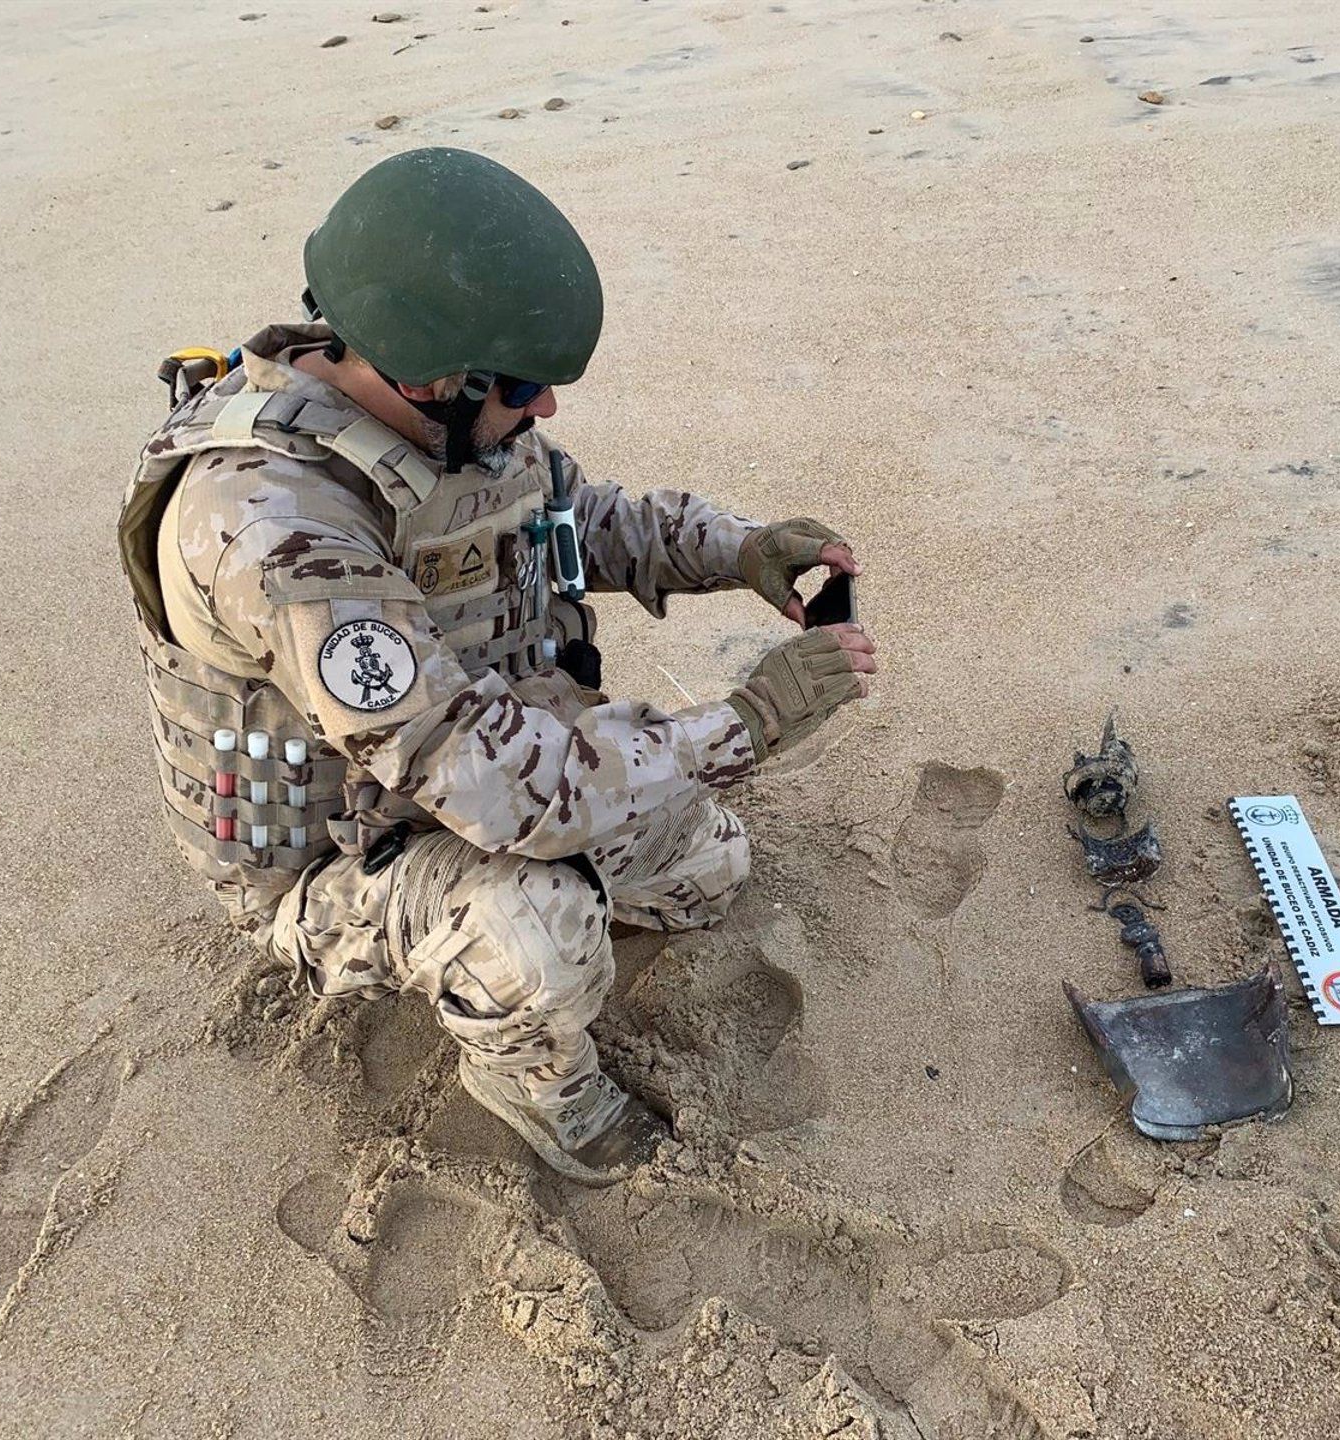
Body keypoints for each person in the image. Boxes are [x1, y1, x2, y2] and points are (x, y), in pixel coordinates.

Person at [117, 147, 877, 1185]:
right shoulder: (273, 534)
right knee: (538, 928)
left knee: (706, 865)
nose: (545, 408)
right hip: (337, 852)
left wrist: (736, 550)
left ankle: (524, 942)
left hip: (460, 771)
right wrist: (743, 724)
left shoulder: (445, 426)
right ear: (430, 377)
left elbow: (565, 517)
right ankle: (535, 1082)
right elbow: (501, 784)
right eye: (524, 386)